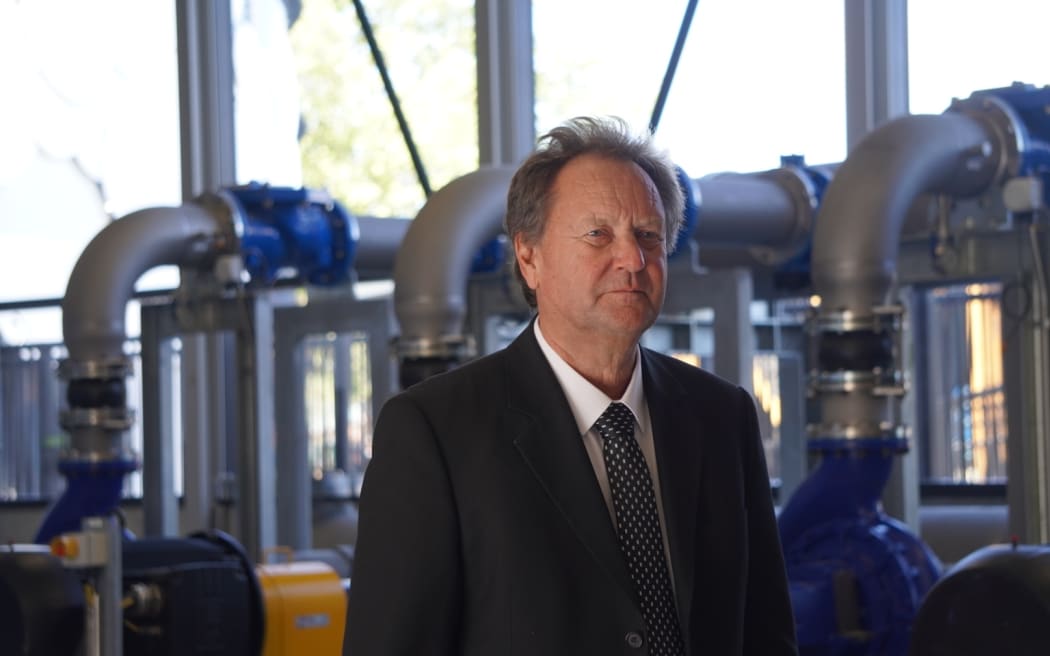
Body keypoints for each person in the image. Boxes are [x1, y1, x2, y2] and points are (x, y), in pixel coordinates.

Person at [346, 116, 798, 655]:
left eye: (648, 236)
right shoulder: (435, 432)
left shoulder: (722, 416)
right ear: (529, 257)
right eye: (597, 234)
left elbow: (765, 633)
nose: (632, 259)